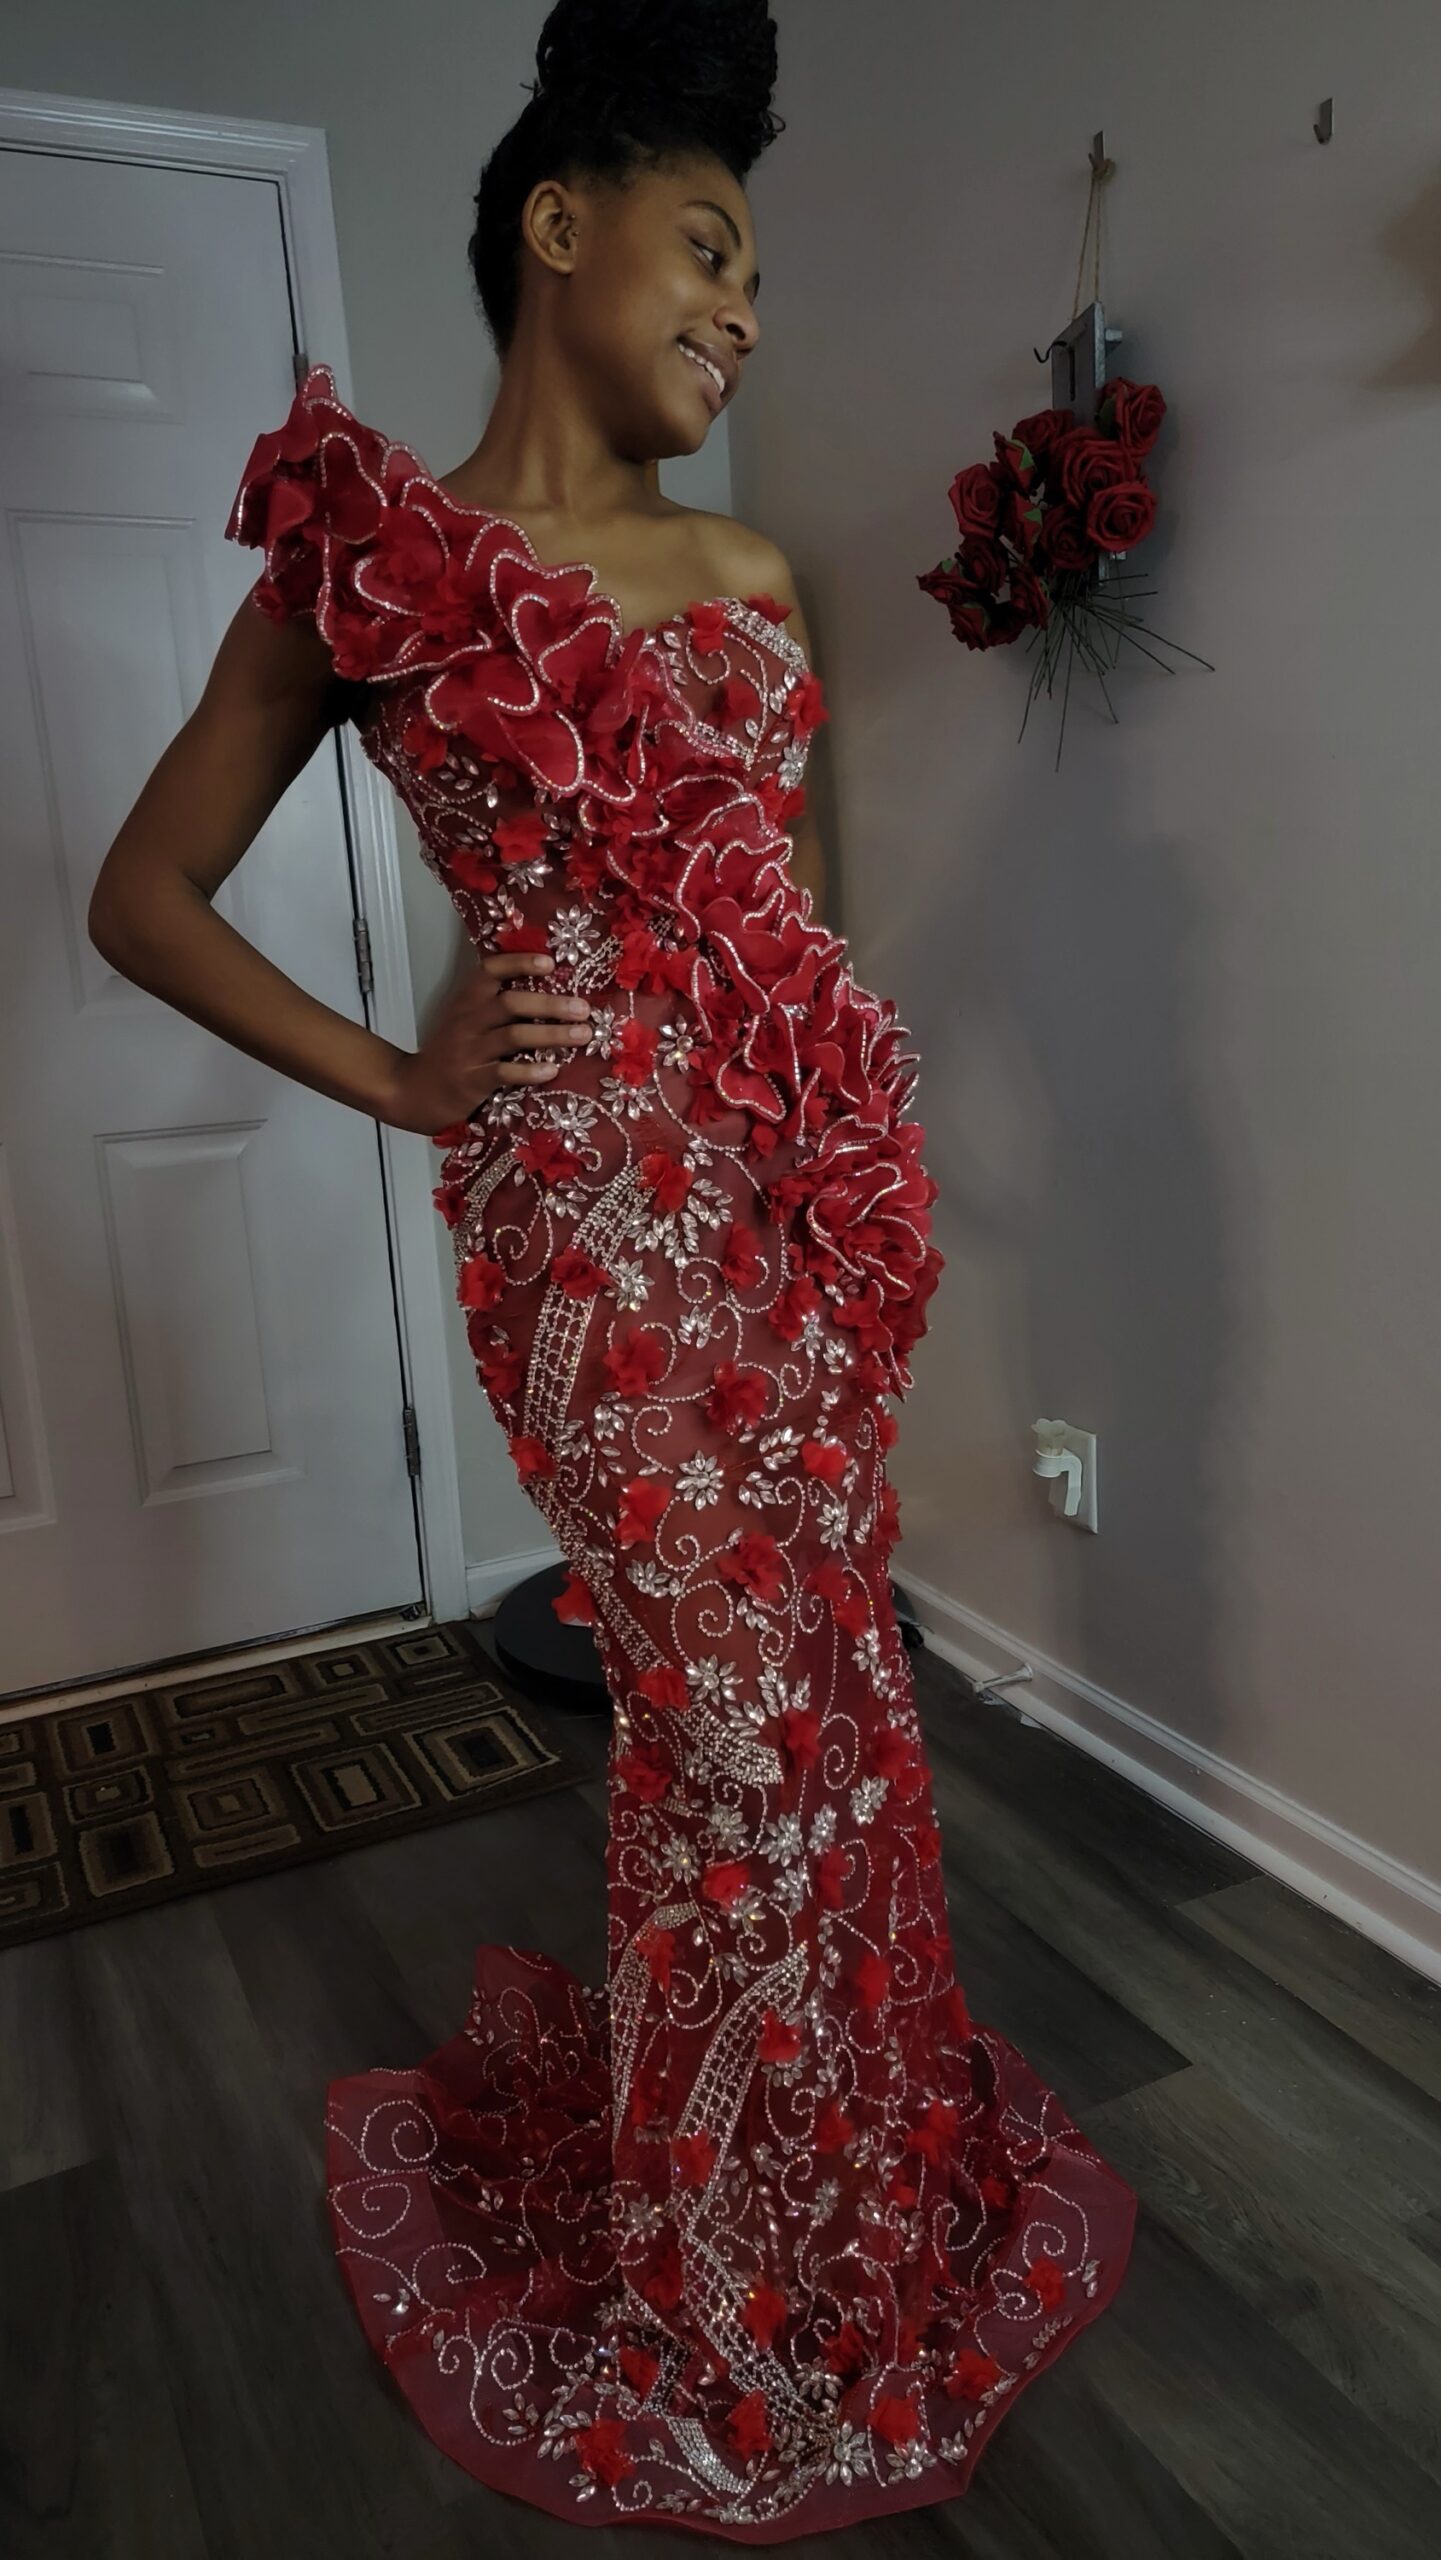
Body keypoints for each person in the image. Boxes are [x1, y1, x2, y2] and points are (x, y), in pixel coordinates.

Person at [89, 0, 1137, 2536]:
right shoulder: (370, 568)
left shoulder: (752, 570)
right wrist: (407, 1071)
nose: (744, 309)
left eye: (756, 274)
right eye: (710, 246)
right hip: (590, 1235)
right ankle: (739, 2288)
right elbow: (141, 893)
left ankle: (839, 2196)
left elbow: (792, 932)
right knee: (726, 1735)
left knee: (831, 1703)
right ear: (559, 229)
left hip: (790, 1228)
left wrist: (866, 1186)